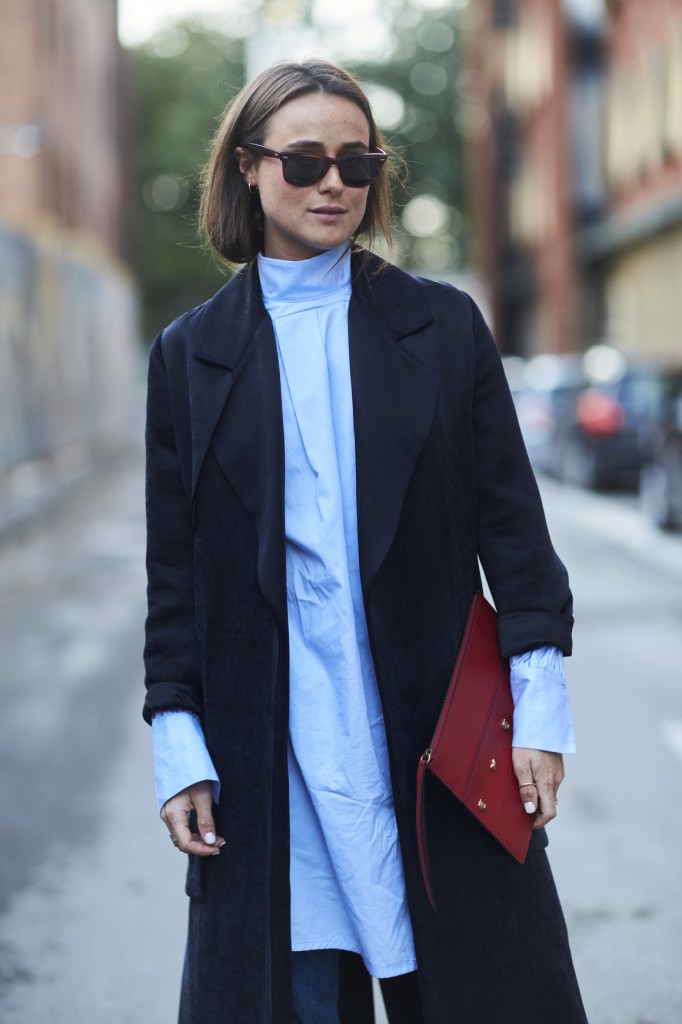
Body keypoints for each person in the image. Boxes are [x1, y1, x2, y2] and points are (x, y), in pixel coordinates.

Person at [143, 58, 587, 1024]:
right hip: (273, 749)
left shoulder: (441, 327)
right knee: (298, 993)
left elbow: (514, 531)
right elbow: (174, 574)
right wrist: (178, 743)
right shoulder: (190, 356)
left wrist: (539, 709)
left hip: (430, 733)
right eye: (303, 162)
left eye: (357, 160)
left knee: (477, 991)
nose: (334, 183)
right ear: (249, 171)